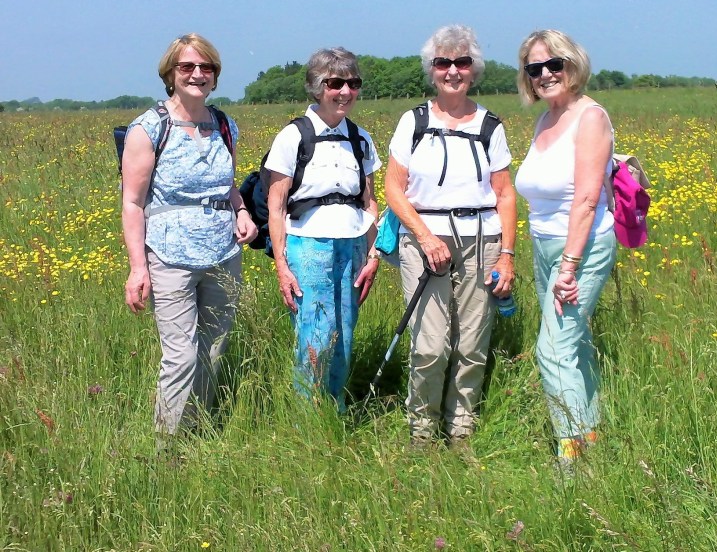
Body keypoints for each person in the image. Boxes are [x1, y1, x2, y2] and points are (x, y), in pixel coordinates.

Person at [384, 25, 517, 447]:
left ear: (474, 69)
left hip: (483, 240)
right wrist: (425, 238)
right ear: (432, 70)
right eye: (443, 63)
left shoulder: (490, 125)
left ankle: (461, 430)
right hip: (425, 241)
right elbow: (392, 188)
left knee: (473, 342)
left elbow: (505, 193)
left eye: (462, 62)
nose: (452, 71)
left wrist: (507, 254)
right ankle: (422, 433)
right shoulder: (414, 121)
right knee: (429, 344)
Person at [122, 33, 258, 439]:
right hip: (169, 256)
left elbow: (228, 184)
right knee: (181, 357)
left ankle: (199, 433)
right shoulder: (149, 129)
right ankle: (167, 449)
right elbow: (132, 202)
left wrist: (243, 211)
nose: (197, 74)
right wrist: (137, 268)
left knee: (214, 352)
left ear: (215, 76)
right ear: (170, 73)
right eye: (187, 67)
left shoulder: (224, 125)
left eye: (206, 68)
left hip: (222, 253)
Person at [514, 29, 617, 467]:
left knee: (552, 350)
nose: (545, 75)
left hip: (582, 248)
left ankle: (571, 455)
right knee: (571, 344)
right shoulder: (546, 119)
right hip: (544, 246)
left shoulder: (589, 118)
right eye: (535, 69)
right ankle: (592, 434)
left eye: (553, 64)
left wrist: (571, 266)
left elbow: (588, 199)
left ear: (573, 65)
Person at [264, 47, 381, 411]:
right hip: (306, 243)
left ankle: (338, 410)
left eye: (353, 83)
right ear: (317, 87)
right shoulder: (293, 137)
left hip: (353, 244)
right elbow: (276, 204)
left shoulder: (360, 139)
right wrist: (282, 266)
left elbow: (370, 201)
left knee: (345, 331)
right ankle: (309, 419)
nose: (345, 92)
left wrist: (374, 254)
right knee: (314, 334)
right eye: (335, 83)